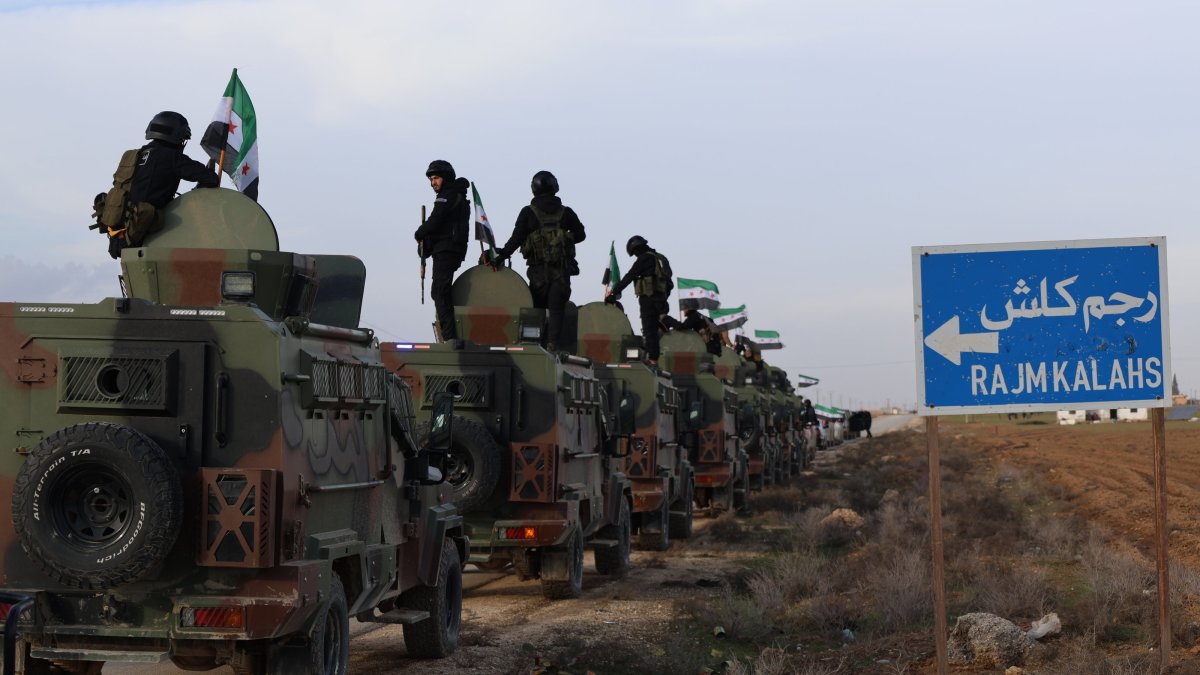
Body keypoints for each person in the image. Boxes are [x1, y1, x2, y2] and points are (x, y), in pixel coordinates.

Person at [101, 111, 219, 258]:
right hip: (143, 238)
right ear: (178, 137)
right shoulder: (172, 158)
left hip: (119, 238)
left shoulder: (133, 156)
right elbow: (212, 179)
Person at [490, 171, 585, 351]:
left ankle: (535, 346)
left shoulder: (528, 212)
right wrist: (563, 238)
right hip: (561, 273)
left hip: (538, 274)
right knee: (557, 311)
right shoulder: (566, 212)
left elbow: (516, 239)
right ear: (554, 186)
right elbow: (581, 235)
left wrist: (500, 256)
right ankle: (552, 345)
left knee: (536, 311)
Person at [415, 160, 470, 341]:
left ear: (446, 177)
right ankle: (450, 334)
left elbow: (435, 220)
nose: (433, 183)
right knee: (439, 292)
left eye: (436, 178)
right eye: (431, 179)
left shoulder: (448, 195)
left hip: (447, 250)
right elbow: (442, 226)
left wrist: (419, 233)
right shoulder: (456, 195)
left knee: (439, 292)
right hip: (449, 249)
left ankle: (450, 338)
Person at [606, 235, 674, 365]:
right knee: (654, 329)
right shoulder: (661, 258)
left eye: (635, 253)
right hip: (661, 299)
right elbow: (669, 282)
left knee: (648, 329)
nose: (636, 256)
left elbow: (629, 276)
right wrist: (663, 298)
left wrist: (613, 293)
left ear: (637, 249)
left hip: (648, 298)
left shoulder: (644, 258)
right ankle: (654, 357)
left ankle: (651, 358)